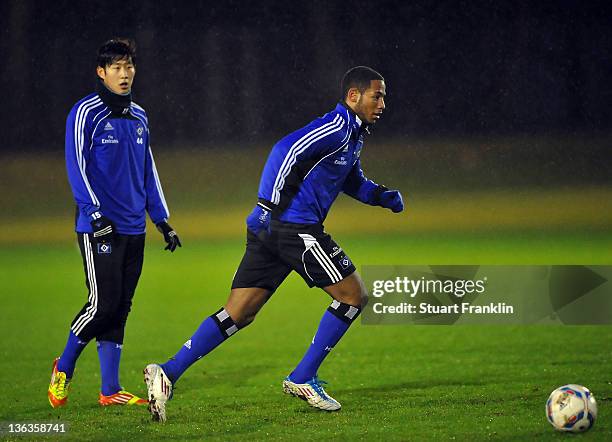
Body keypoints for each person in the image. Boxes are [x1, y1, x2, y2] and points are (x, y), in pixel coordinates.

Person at [144, 66, 403, 422]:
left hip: (275, 230)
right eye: (378, 95)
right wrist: (267, 207)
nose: (383, 103)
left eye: (384, 96)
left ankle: (167, 373)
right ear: (353, 96)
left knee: (239, 312)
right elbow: (285, 151)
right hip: (292, 227)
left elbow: (350, 179)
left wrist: (382, 197)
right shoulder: (336, 127)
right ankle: (303, 378)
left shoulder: (354, 135)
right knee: (353, 296)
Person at [48, 38, 182, 408]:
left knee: (121, 307)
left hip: (133, 228)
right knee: (102, 305)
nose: (124, 75)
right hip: (99, 227)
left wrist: (162, 221)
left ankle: (109, 390)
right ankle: (64, 367)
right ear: (101, 72)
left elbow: (147, 171)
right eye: (116, 68)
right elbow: (75, 166)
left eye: (129, 67)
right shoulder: (85, 113)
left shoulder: (139, 116)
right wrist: (93, 212)